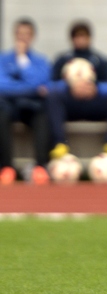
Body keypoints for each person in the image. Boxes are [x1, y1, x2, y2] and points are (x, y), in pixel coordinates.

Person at [48, 21, 107, 163]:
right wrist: (70, 87)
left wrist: (95, 88)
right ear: (72, 39)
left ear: (90, 38)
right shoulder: (62, 60)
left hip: (94, 104)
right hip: (71, 105)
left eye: (84, 36)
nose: (81, 40)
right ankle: (59, 143)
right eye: (77, 37)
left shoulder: (101, 61)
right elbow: (50, 85)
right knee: (53, 97)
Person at [0, 19, 51, 185]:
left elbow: (42, 81)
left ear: (32, 37)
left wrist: (23, 61)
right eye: (19, 34)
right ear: (14, 35)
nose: (22, 38)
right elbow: (2, 86)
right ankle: (6, 168)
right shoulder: (3, 59)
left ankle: (40, 168)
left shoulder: (40, 61)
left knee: (42, 114)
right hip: (7, 105)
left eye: (26, 34)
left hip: (30, 106)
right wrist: (29, 87)